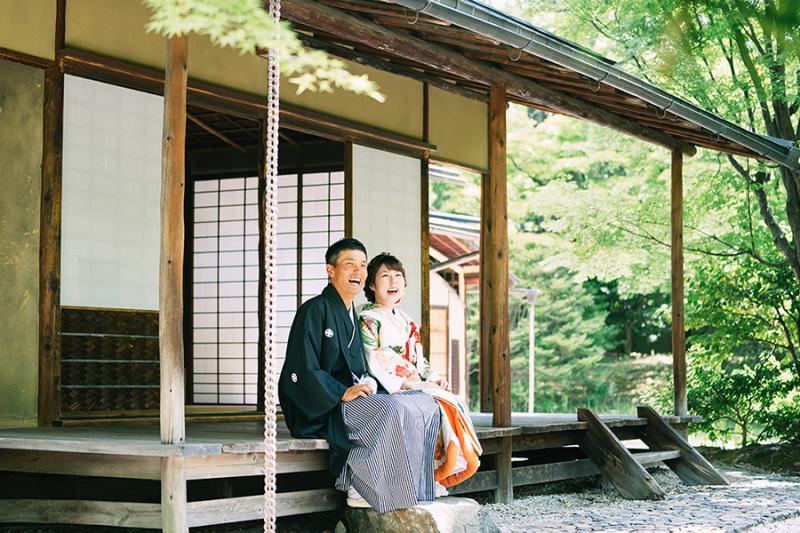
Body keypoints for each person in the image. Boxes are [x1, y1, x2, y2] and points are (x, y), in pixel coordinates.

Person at [278, 238, 441, 512]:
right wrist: (341, 391)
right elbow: (301, 368)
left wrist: (367, 384)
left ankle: (409, 485)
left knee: (415, 404)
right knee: (387, 409)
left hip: (347, 396)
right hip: (321, 404)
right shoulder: (314, 309)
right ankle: (359, 485)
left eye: (363, 265)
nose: (358, 271)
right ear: (331, 270)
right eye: (350, 264)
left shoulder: (351, 314)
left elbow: (359, 369)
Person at [358, 252, 482, 489]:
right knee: (437, 404)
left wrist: (434, 378)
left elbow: (418, 360)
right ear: (372, 285)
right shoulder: (367, 318)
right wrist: (410, 382)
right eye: (385, 276)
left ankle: (434, 475)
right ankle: (426, 476)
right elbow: (374, 356)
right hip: (388, 387)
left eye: (398, 276)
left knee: (451, 400)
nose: (394, 282)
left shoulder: (407, 321)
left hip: (412, 383)